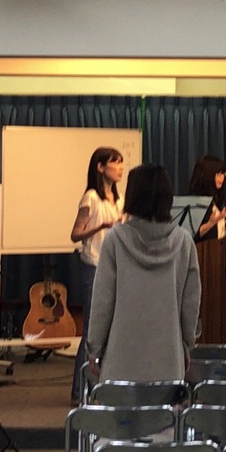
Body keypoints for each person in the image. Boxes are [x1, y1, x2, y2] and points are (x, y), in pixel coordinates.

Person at [84, 162, 202, 388]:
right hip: (168, 359)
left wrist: (94, 348)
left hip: (120, 360)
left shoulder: (115, 240)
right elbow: (191, 304)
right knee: (165, 409)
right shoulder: (184, 242)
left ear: (132, 195)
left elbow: (102, 301)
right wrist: (187, 345)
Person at [68, 146, 126, 400]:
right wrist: (100, 226)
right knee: (92, 331)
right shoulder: (91, 197)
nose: (120, 168)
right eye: (115, 163)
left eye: (122, 163)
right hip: (93, 266)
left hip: (115, 267)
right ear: (101, 167)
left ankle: (103, 385)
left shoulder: (120, 200)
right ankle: (79, 388)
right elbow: (75, 234)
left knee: (112, 330)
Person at [183, 154, 226, 241]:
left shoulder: (214, 200)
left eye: (224, 174)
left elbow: (216, 231)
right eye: (219, 174)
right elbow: (191, 234)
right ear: (208, 175)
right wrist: (210, 223)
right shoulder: (196, 201)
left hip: (216, 248)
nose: (222, 178)